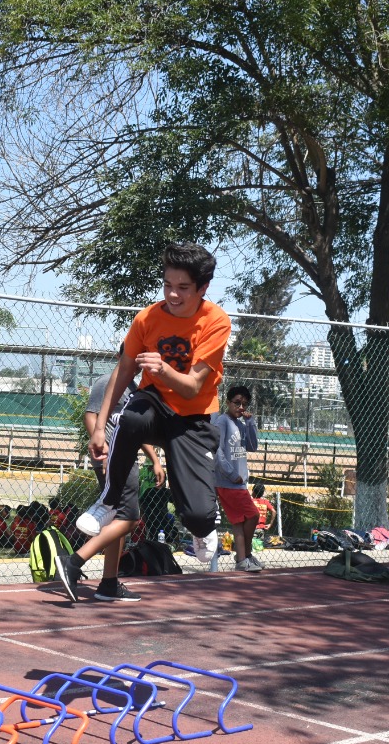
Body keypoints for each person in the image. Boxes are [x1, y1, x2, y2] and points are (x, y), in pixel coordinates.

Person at [61, 242, 230, 603]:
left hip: (192, 418)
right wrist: (99, 427)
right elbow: (124, 371)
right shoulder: (147, 318)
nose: (172, 294)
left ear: (202, 288)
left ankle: (201, 529)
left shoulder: (216, 322)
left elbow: (192, 387)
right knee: (133, 416)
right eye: (167, 284)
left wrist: (163, 368)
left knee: (197, 514)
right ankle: (107, 503)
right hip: (154, 402)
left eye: (183, 288)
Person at [52, 363, 165, 603]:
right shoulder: (109, 381)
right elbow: (91, 415)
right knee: (130, 517)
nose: (137, 362)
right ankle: (72, 563)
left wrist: (154, 458)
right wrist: (102, 451)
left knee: (118, 517)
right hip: (112, 458)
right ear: (121, 356)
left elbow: (134, 429)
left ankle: (109, 583)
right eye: (132, 355)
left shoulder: (135, 389)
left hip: (125, 457)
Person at [212, 384, 262, 572]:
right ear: (228, 402)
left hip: (238, 483)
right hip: (229, 482)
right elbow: (217, 452)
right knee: (253, 515)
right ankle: (246, 553)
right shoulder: (222, 422)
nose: (241, 407)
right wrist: (232, 474)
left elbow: (252, 446)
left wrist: (250, 423)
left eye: (244, 404)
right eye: (237, 403)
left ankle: (242, 559)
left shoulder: (241, 424)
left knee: (239, 522)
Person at [252, 482, 276, 546]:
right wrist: (270, 524)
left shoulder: (251, 501)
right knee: (259, 546)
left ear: (253, 492)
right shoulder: (265, 502)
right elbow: (274, 511)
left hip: (251, 528)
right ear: (262, 493)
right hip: (261, 529)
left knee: (251, 546)